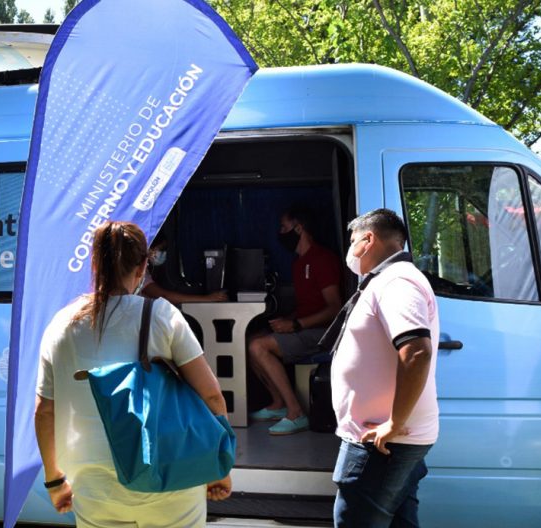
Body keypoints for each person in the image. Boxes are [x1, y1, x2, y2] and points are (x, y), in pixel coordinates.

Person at [35, 222, 232, 527]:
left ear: (94, 265)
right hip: (171, 477)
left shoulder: (61, 325)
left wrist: (54, 481)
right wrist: (218, 467)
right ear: (142, 268)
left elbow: (45, 411)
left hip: (94, 488)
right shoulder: (162, 315)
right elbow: (212, 396)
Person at [329, 208, 439, 527]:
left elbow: (416, 351)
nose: (351, 251)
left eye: (353, 241)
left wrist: (394, 423)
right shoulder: (389, 280)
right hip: (387, 438)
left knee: (356, 520)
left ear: (368, 239)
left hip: (382, 441)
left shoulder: (397, 282)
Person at [246, 205, 341, 435]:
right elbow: (305, 306)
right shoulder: (299, 263)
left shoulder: (322, 259)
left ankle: (296, 412)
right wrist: (286, 321)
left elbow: (335, 308)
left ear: (298, 228)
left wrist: (296, 325)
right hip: (306, 327)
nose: (280, 232)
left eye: (283, 227)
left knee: (259, 346)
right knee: (251, 340)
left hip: (325, 332)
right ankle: (278, 404)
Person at [140, 236, 228, 305]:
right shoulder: (140, 274)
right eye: (159, 249)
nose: (158, 253)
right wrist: (208, 299)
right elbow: (164, 296)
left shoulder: (144, 270)